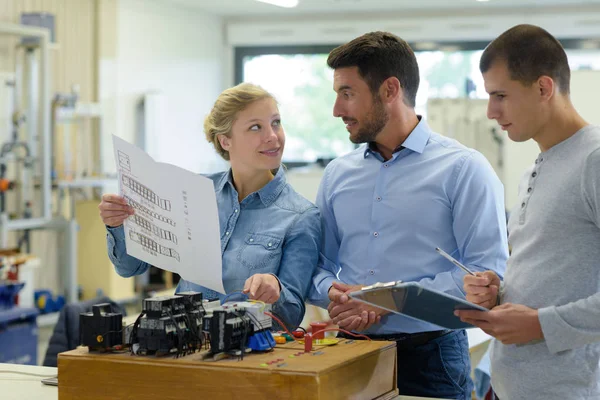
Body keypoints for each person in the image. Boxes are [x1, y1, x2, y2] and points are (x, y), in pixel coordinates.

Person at [307, 31, 508, 399]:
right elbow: (316, 266)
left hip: (431, 356)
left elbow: (486, 274)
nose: (337, 109)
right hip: (348, 350)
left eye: (347, 93)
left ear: (389, 90)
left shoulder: (464, 169)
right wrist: (336, 295)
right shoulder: (337, 174)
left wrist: (386, 300)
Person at [99, 83, 321, 330]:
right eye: (256, 127)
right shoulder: (192, 192)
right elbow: (130, 268)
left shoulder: (301, 217)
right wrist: (118, 224)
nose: (272, 136)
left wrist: (276, 291)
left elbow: (290, 316)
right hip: (181, 347)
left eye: (276, 123)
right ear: (225, 141)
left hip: (246, 356)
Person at [456, 24, 600, 400]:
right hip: (513, 386)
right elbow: (555, 275)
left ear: (543, 88)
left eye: (500, 95)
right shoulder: (535, 169)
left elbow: (542, 317)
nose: (490, 111)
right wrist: (496, 295)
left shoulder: (594, 161)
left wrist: (540, 324)